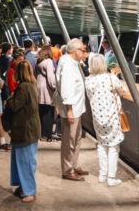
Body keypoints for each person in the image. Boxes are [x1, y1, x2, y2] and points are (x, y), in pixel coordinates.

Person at [85, 53, 124, 186]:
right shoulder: (111, 78)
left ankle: (102, 174)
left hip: (97, 118)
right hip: (112, 117)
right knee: (113, 147)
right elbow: (121, 91)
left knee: (101, 144)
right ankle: (111, 178)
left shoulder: (88, 81)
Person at [54, 38, 89, 181]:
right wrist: (69, 110)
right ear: (75, 50)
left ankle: (74, 164)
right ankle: (68, 170)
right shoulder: (68, 65)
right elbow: (67, 88)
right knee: (69, 140)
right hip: (72, 109)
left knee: (76, 138)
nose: (84, 52)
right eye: (83, 50)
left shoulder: (72, 62)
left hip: (77, 108)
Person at [8, 61, 40, 203]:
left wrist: (10, 98)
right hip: (33, 127)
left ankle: (29, 192)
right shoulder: (33, 85)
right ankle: (24, 187)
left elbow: (15, 105)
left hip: (24, 129)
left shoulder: (23, 87)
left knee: (24, 161)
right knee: (29, 160)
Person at [35, 45, 57, 141]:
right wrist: (55, 87)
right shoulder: (48, 62)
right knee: (48, 112)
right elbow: (51, 78)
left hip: (39, 87)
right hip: (47, 90)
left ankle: (40, 133)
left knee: (41, 112)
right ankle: (46, 134)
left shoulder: (38, 62)